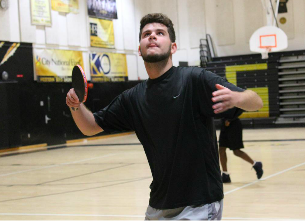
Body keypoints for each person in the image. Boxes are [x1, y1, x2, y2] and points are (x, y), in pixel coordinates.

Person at [66, 13, 263, 220]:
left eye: (160, 33)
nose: (152, 37)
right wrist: (76, 106)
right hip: (159, 205)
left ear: (173, 47)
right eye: (146, 34)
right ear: (139, 50)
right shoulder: (132, 98)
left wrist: (238, 97)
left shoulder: (194, 79)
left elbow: (256, 101)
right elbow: (90, 127)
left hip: (199, 204)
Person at [218, 117, 263, 183]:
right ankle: (225, 174)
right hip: (224, 125)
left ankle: (256, 164)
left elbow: (238, 110)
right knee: (221, 149)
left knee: (236, 151)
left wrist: (230, 119)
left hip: (234, 125)